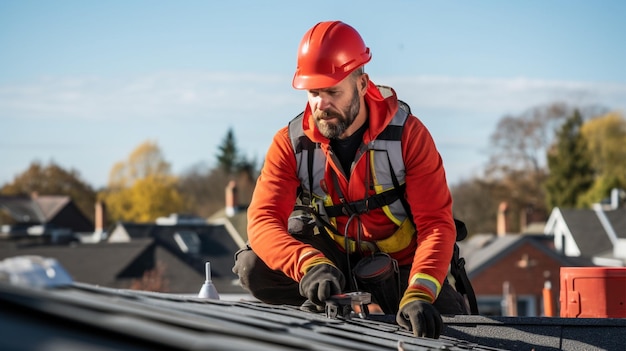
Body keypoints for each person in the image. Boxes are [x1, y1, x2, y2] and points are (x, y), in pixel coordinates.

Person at [232, 20, 468, 339]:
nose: (321, 105)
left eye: (332, 91)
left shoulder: (409, 136)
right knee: (252, 266)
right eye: (313, 93)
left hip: (403, 269)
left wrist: (421, 293)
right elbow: (262, 220)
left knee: (454, 332)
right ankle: (319, 307)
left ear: (361, 84)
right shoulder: (290, 144)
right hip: (329, 269)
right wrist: (307, 265)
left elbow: (437, 225)